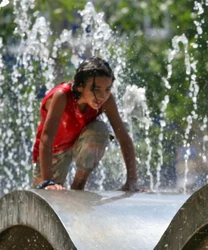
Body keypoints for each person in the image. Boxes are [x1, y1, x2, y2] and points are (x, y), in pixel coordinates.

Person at [32, 57, 139, 191]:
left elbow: (124, 138)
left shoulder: (106, 100)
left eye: (107, 89)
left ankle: (79, 184)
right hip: (53, 151)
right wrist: (48, 182)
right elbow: (46, 139)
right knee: (46, 197)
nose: (102, 96)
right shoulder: (62, 96)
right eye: (96, 89)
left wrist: (132, 181)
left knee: (100, 129)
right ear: (80, 86)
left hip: (79, 142)